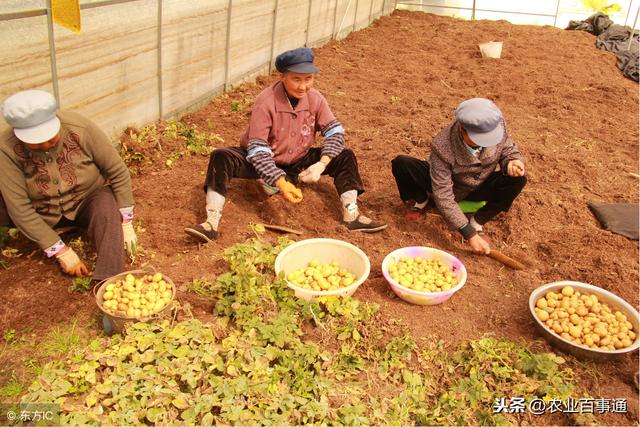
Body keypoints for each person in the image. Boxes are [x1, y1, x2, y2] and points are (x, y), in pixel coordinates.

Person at [184, 47, 386, 242]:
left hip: (299, 157)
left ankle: (352, 214)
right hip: (264, 159)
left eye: (308, 79)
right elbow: (257, 149)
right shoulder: (266, 101)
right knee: (221, 156)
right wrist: (280, 181)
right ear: (282, 77)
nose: (303, 86)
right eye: (296, 79)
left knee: (345, 156)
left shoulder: (315, 99)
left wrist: (321, 164)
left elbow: (335, 132)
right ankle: (211, 222)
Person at [0, 90, 137, 281]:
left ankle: (108, 281)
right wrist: (59, 250)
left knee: (106, 206)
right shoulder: (6, 148)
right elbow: (19, 207)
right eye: (37, 142)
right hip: (43, 211)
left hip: (87, 200)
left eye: (50, 137)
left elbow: (117, 170)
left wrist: (126, 221)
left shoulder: (79, 128)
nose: (46, 144)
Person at [391, 98, 526, 254]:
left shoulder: (496, 125)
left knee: (518, 180)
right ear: (462, 128)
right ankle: (423, 200)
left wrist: (512, 161)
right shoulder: (443, 145)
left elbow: (508, 148)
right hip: (450, 185)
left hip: (480, 184)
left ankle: (478, 221)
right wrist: (468, 233)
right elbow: (443, 193)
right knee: (402, 163)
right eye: (479, 139)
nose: (485, 144)